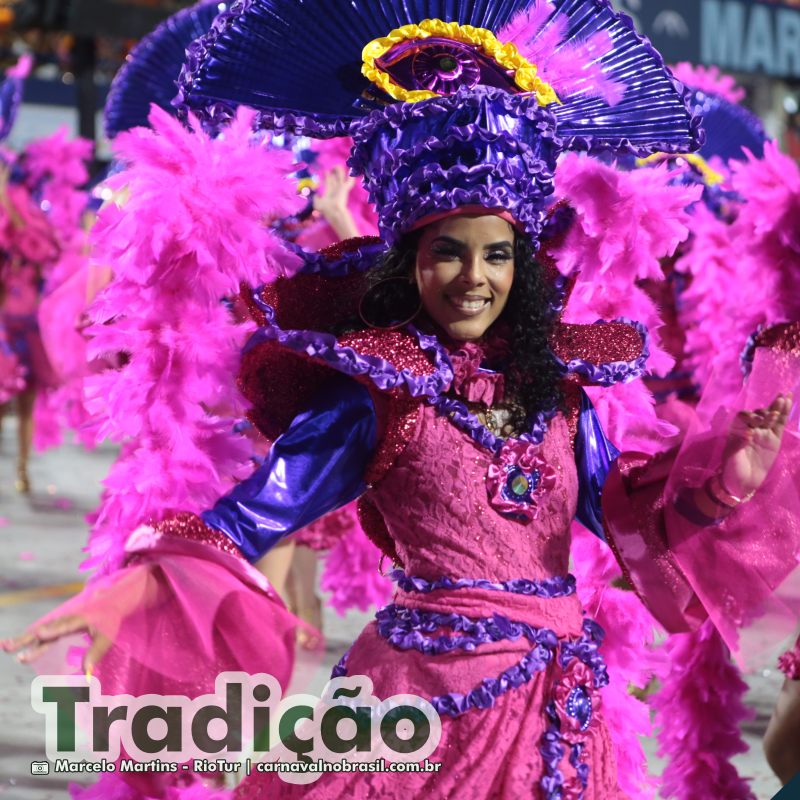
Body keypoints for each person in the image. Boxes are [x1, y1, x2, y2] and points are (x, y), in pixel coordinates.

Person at [5, 1, 800, 798]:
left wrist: (729, 477)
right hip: (414, 715)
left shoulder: (557, 394)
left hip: (559, 713)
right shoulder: (379, 393)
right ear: (408, 263)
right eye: (447, 252)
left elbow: (631, 524)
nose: (473, 278)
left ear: (521, 269)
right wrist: (123, 591)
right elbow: (248, 518)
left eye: (495, 255)